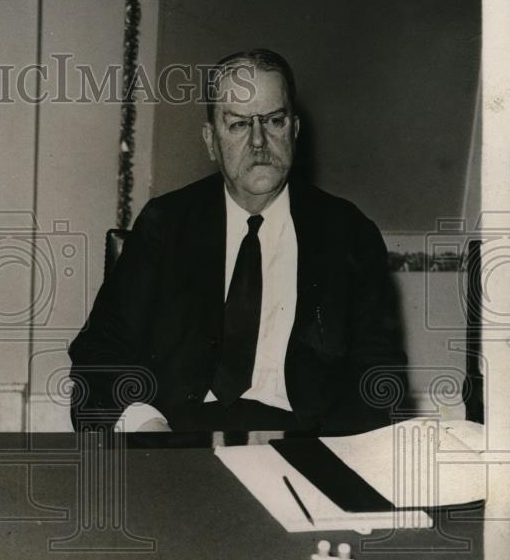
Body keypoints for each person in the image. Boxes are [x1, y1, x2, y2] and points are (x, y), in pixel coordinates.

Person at [69, 49, 406, 439]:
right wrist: (148, 427)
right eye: (239, 125)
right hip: (177, 436)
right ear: (211, 141)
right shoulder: (166, 224)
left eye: (274, 121)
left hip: (307, 441)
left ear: (294, 131)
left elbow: (378, 372)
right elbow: (99, 352)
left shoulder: (349, 233)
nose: (259, 141)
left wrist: (339, 455)